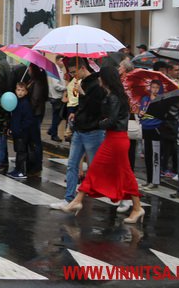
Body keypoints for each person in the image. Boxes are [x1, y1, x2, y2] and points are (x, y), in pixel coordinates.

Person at [62, 66, 145, 224]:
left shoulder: (113, 97)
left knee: (100, 170)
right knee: (118, 172)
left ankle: (136, 207)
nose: (98, 78)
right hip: (115, 139)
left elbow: (111, 120)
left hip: (115, 140)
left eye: (101, 77)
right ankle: (136, 207)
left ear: (106, 79)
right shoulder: (115, 96)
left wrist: (98, 124)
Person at [50, 58, 106, 211]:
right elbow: (82, 106)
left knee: (96, 169)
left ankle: (124, 197)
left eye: (75, 72)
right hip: (80, 129)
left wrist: (83, 94)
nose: (74, 75)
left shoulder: (96, 84)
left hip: (93, 131)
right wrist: (74, 113)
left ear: (82, 68)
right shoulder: (81, 83)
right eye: (71, 73)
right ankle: (69, 198)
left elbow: (97, 108)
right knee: (72, 165)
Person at [7, 82, 35, 180]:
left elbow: (28, 119)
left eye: (22, 90)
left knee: (21, 152)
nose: (20, 92)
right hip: (16, 131)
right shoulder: (16, 102)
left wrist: (21, 129)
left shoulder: (25, 104)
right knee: (18, 151)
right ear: (15, 91)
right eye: (18, 90)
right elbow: (14, 118)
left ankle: (21, 171)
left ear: (26, 92)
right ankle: (17, 169)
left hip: (22, 133)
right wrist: (11, 128)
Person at [139, 79, 163, 190]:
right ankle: (148, 180)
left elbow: (160, 116)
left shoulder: (161, 100)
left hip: (155, 129)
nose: (154, 90)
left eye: (157, 88)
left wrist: (147, 114)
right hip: (145, 128)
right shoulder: (145, 99)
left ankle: (155, 181)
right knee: (147, 155)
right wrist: (141, 113)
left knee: (155, 156)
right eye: (153, 87)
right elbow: (140, 113)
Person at [26, 64, 48, 176]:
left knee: (35, 141)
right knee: (33, 140)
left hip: (34, 114)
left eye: (29, 68)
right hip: (34, 114)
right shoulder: (33, 80)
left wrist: (28, 111)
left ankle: (36, 166)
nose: (28, 70)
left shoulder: (38, 83)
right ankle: (32, 164)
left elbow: (34, 100)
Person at [47, 56, 68, 142]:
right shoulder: (55, 71)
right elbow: (56, 86)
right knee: (57, 116)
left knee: (59, 116)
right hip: (56, 97)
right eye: (61, 60)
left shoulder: (59, 70)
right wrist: (66, 88)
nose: (63, 63)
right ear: (57, 61)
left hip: (58, 96)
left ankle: (52, 131)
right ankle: (53, 134)